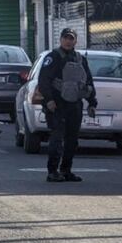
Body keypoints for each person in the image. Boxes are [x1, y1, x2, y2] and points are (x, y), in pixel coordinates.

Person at [37, 28, 98, 183]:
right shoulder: (53, 57)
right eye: (66, 38)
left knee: (72, 140)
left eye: (71, 38)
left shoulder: (80, 58)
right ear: (61, 39)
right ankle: (52, 171)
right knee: (57, 138)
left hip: (74, 104)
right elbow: (43, 81)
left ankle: (66, 170)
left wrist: (92, 102)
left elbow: (88, 81)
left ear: (75, 41)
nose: (68, 41)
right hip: (57, 104)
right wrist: (49, 100)